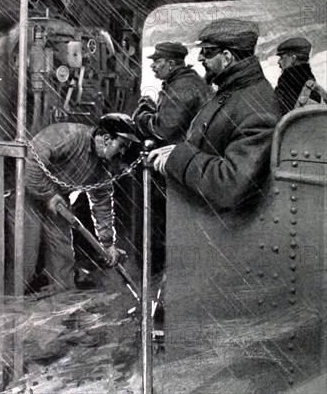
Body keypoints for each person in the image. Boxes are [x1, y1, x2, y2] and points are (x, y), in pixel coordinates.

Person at [148, 19, 280, 214]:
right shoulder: (235, 91)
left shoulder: (256, 106)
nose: (201, 58)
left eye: (208, 52)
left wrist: (179, 157)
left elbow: (231, 186)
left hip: (223, 231)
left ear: (227, 57)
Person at [23, 113, 140, 292]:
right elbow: (30, 165)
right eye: (122, 145)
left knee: (63, 259)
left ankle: (61, 307)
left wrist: (108, 244)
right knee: (25, 258)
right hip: (26, 195)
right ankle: (8, 306)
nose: (123, 153)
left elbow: (102, 205)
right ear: (107, 139)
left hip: (58, 202)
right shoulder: (68, 136)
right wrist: (49, 194)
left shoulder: (102, 167)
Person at [133, 42, 210, 144]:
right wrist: (154, 109)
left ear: (171, 64)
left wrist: (143, 116)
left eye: (157, 61)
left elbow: (163, 129)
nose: (152, 65)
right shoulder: (188, 80)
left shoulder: (182, 87)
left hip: (184, 151)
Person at [275, 37, 320, 115]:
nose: (278, 62)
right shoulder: (310, 80)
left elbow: (276, 113)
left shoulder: (286, 82)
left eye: (282, 58)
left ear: (293, 59)